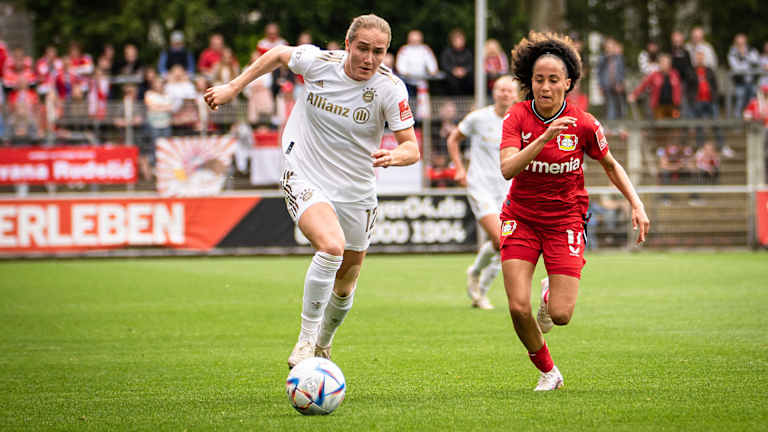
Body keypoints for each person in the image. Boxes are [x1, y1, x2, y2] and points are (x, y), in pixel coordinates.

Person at [204, 14, 420, 369]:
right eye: (362, 48)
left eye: (378, 51)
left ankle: (324, 342)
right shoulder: (319, 63)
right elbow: (277, 54)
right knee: (331, 247)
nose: (369, 58)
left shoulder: (389, 88)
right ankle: (305, 342)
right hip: (303, 170)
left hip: (356, 186)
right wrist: (233, 87)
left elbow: (412, 147)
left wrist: (396, 155)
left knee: (347, 280)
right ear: (347, 44)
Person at [499, 31, 649, 391]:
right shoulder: (517, 117)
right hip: (520, 218)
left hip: (565, 220)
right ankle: (549, 372)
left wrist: (636, 203)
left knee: (562, 315)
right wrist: (544, 137)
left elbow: (611, 165)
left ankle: (550, 294)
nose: (545, 87)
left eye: (553, 80)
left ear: (568, 83)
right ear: (529, 81)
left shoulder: (584, 123)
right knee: (518, 307)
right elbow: (507, 169)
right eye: (538, 79)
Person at [447, 76, 518, 310]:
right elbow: (453, 139)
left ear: (516, 94)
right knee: (501, 239)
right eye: (501, 90)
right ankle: (477, 277)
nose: (505, 94)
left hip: (508, 189)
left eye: (509, 90)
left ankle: (479, 286)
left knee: (505, 244)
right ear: (494, 92)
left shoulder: (520, 121)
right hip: (480, 186)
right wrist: (459, 168)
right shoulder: (479, 118)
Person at [441, 29, 473, 95]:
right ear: (452, 41)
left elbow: (472, 64)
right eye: (456, 40)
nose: (459, 42)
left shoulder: (469, 52)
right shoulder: (446, 52)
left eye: (461, 39)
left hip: (467, 86)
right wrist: (453, 70)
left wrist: (464, 70)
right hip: (450, 87)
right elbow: (444, 64)